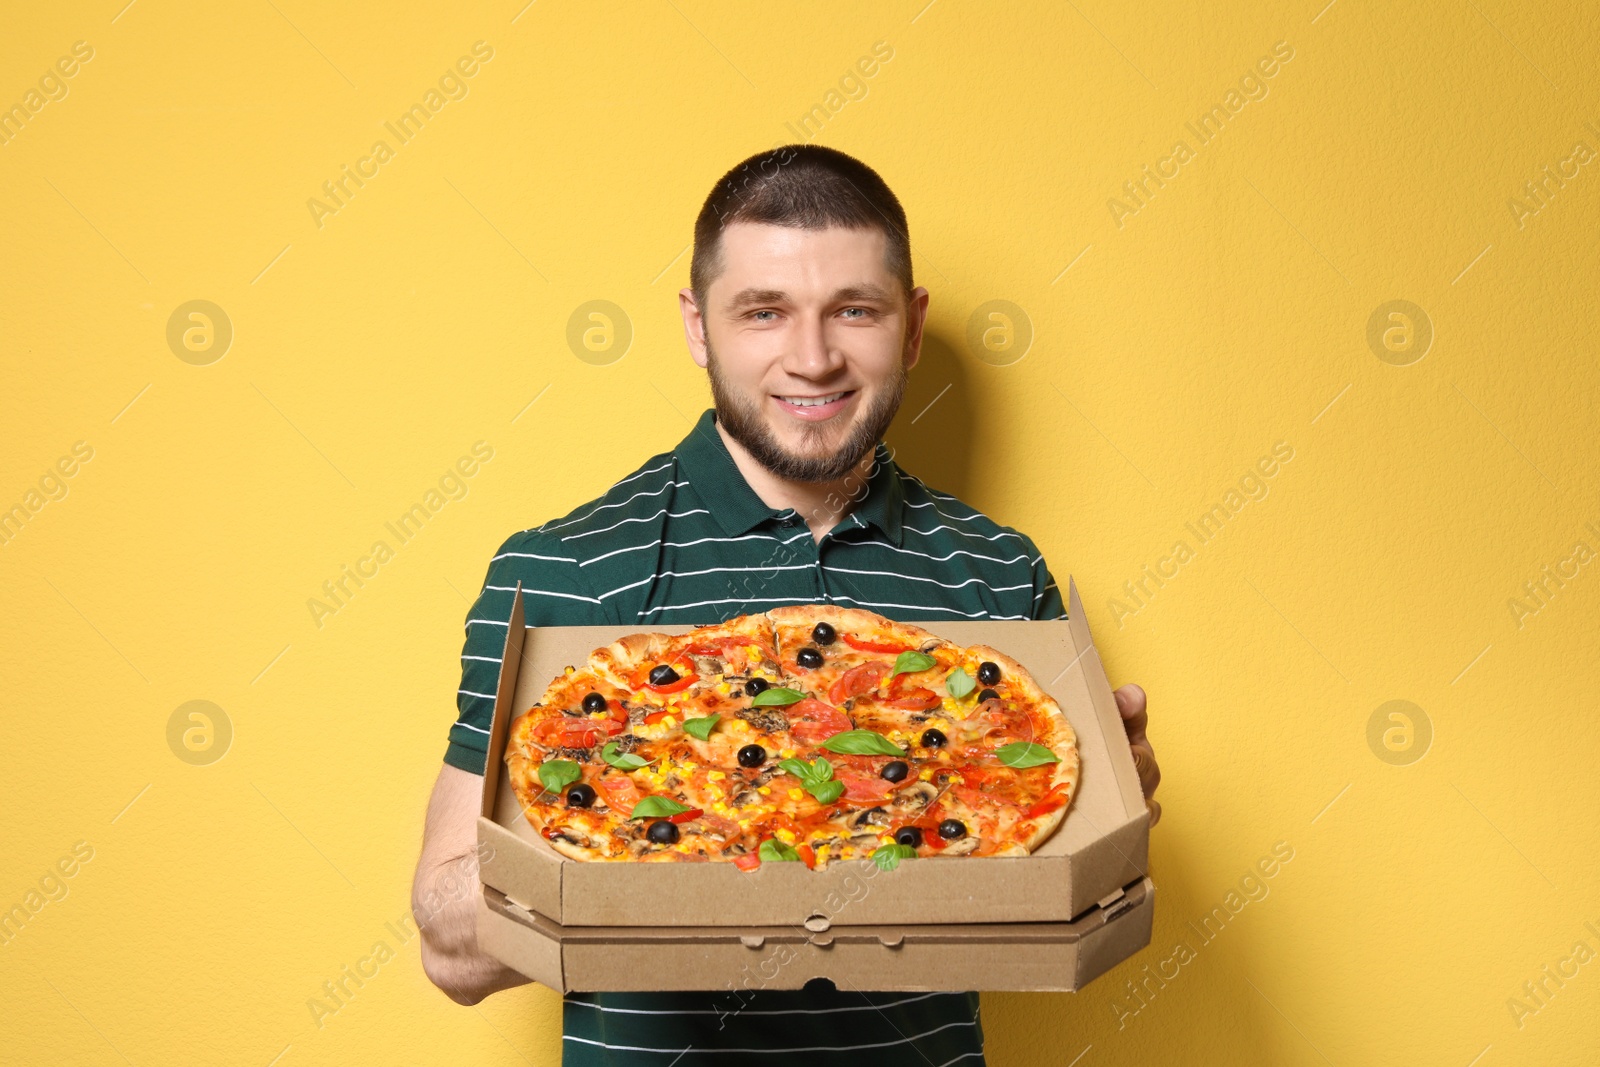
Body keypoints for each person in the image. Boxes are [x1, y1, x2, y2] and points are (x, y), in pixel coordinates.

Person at [411, 144, 1162, 1065]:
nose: (812, 359)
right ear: (698, 326)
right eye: (763, 313)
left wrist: (1107, 816)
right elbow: (448, 947)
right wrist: (652, 829)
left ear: (913, 326)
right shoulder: (563, 569)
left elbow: (1057, 901)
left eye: (855, 309)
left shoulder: (997, 574)